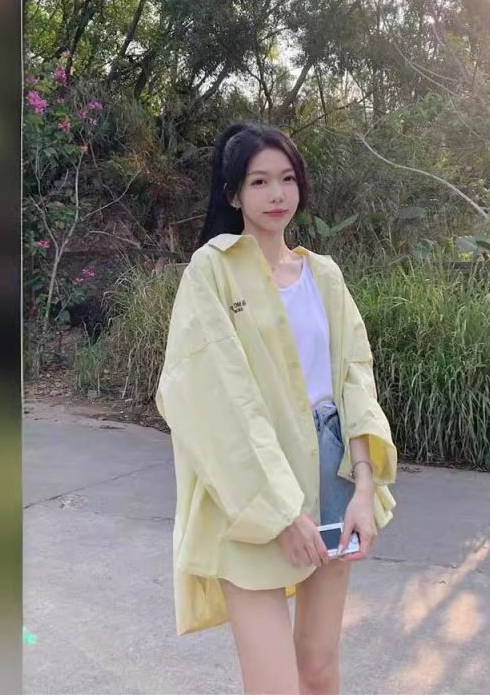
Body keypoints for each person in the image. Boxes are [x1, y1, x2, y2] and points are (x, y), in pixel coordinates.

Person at [155, 121, 398, 695]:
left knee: (319, 670)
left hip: (332, 475)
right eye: (259, 181)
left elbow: (354, 380)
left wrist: (364, 488)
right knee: (275, 685)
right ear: (233, 194)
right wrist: (282, 511)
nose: (276, 194)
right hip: (250, 487)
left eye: (286, 179)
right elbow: (217, 397)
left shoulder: (325, 276)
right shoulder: (211, 271)